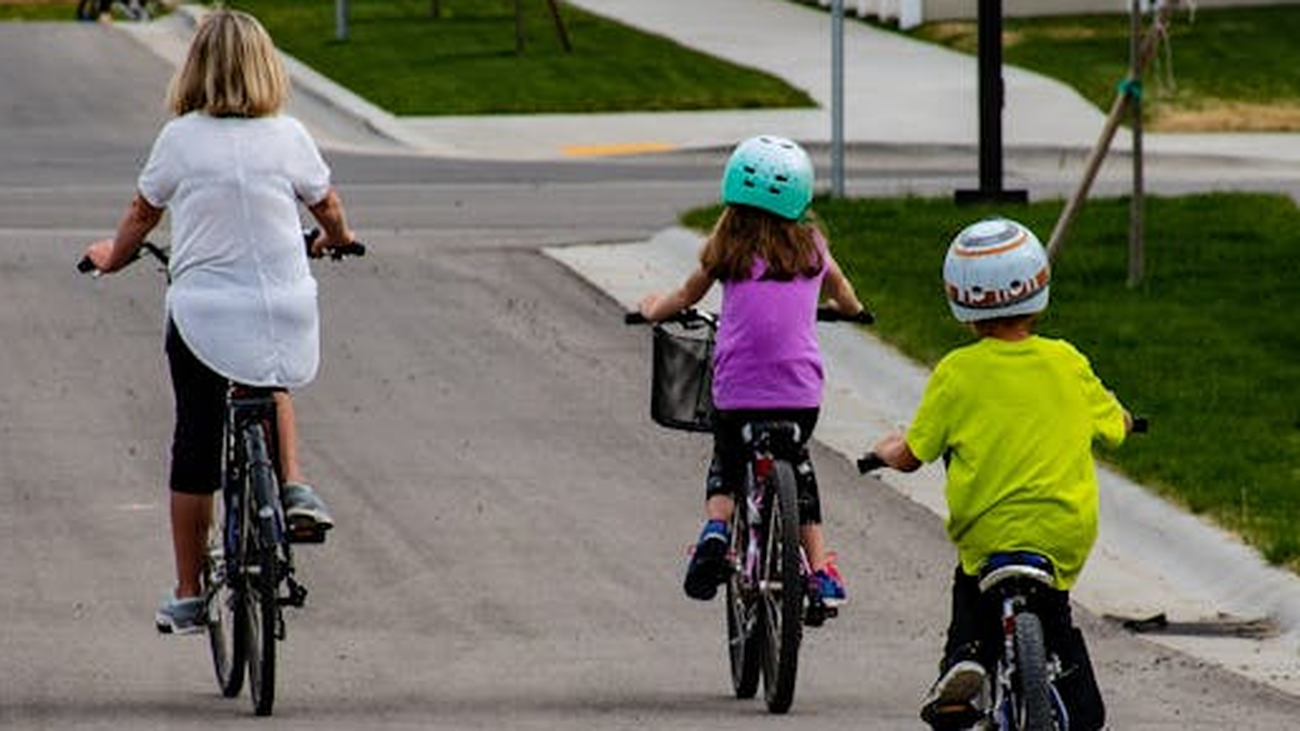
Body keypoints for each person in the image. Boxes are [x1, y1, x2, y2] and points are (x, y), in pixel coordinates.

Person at [82, 8, 356, 635]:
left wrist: (112, 257)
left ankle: (187, 592)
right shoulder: (289, 135)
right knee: (268, 375)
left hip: (204, 312)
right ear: (266, 68)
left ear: (195, 70)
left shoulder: (180, 138)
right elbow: (329, 205)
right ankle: (294, 488)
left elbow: (142, 213)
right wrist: (337, 238)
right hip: (283, 306)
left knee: (196, 440)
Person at [867, 218, 1132, 731]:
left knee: (972, 586)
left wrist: (883, 451)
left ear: (958, 298)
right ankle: (1077, 698)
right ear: (1039, 286)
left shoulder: (956, 373)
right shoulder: (1067, 362)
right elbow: (1116, 426)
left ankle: (964, 660)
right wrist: (1123, 418)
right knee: (1054, 611)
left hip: (988, 531)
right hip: (1061, 528)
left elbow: (912, 453)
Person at [638, 135, 868, 607]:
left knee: (728, 456)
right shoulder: (813, 248)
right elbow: (844, 292)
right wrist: (852, 310)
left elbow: (683, 298)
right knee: (799, 469)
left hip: (738, 393)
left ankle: (717, 530)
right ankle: (821, 572)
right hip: (799, 395)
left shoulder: (727, 247)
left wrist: (651, 308)